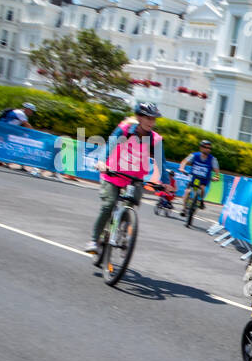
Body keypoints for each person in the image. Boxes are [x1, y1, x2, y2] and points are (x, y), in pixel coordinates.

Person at [85, 103, 166, 253]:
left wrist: (166, 183)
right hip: (113, 174)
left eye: (153, 119)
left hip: (135, 179)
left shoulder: (156, 139)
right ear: (139, 117)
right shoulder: (125, 129)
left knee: (129, 206)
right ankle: (94, 240)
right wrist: (102, 161)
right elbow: (109, 145)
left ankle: (120, 231)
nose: (151, 122)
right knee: (108, 205)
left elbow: (161, 162)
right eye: (148, 118)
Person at [179, 138, 220, 216]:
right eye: (206, 147)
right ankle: (184, 209)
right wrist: (182, 168)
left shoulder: (213, 159)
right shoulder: (194, 155)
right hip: (193, 178)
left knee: (202, 188)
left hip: (204, 180)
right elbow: (184, 162)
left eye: (209, 148)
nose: (208, 150)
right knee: (187, 192)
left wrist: (216, 177)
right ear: (201, 148)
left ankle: (201, 200)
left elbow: (216, 170)